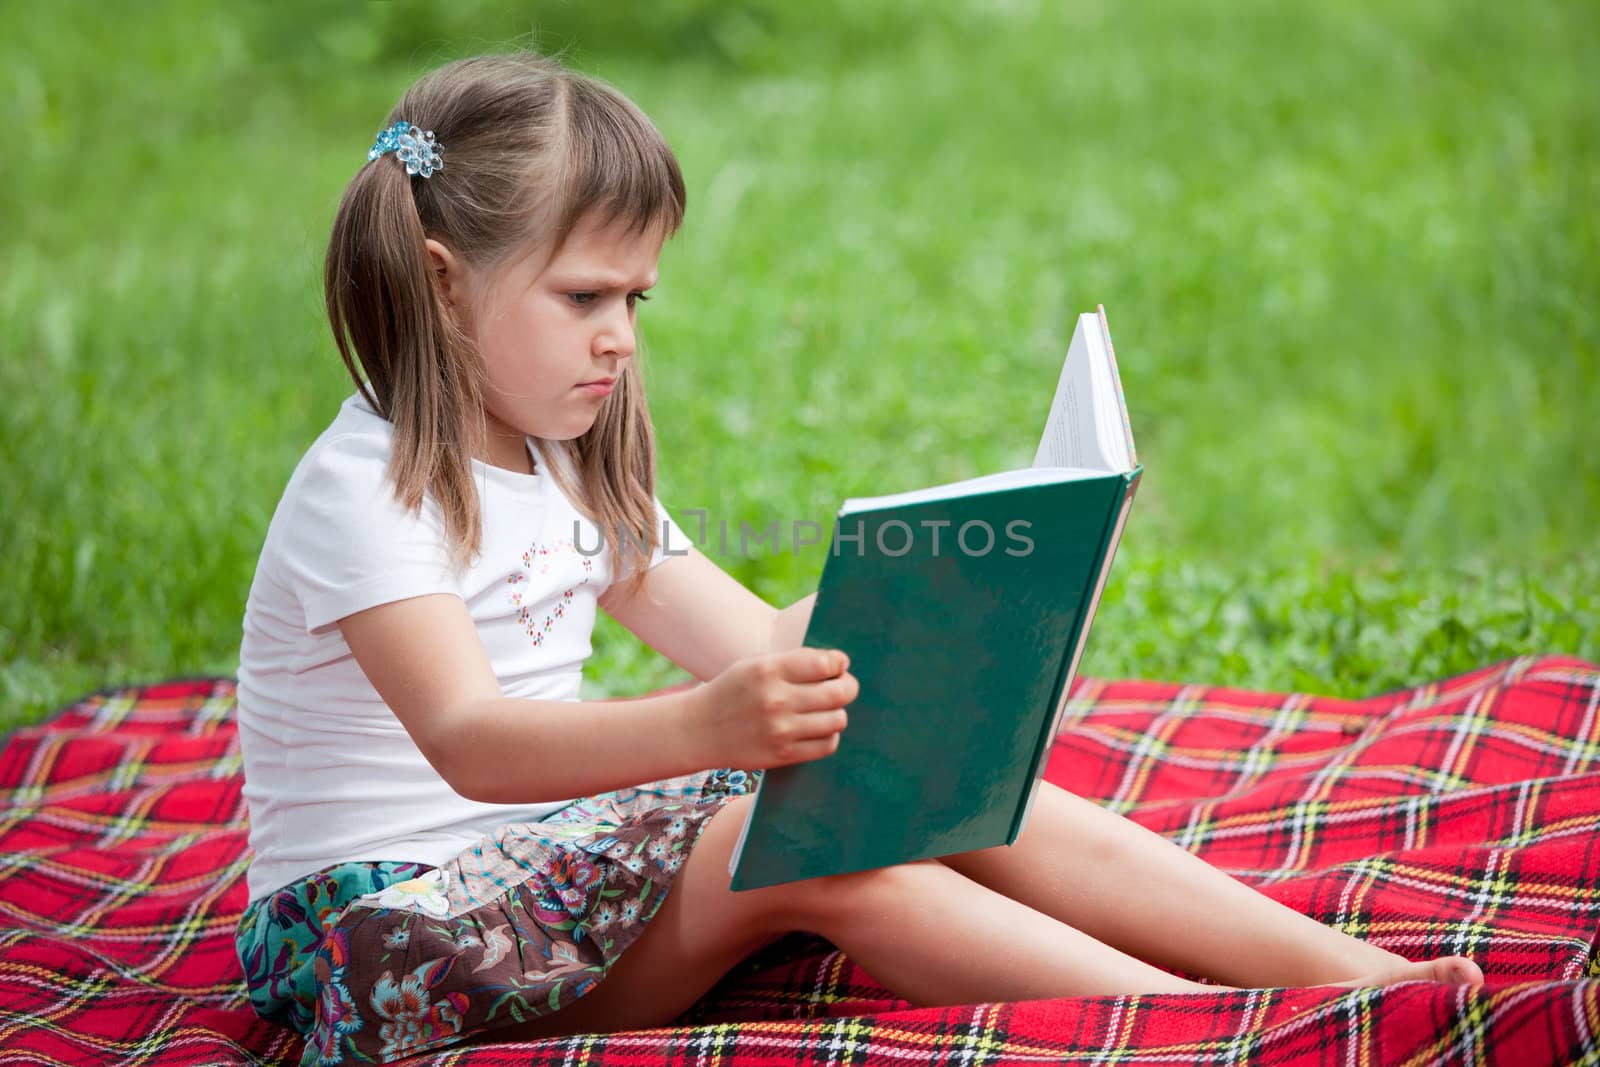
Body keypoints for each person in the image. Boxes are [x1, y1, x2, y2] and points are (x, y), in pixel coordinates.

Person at [233, 51, 1485, 1067]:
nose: (620, 339)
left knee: (932, 779)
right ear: (446, 289)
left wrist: (972, 586)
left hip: (547, 887)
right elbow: (471, 738)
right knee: (822, 832)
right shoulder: (366, 487)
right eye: (583, 297)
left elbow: (759, 644)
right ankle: (1232, 1041)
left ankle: (1350, 980)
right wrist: (709, 727)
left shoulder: (562, 461)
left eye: (637, 302)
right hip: (385, 941)